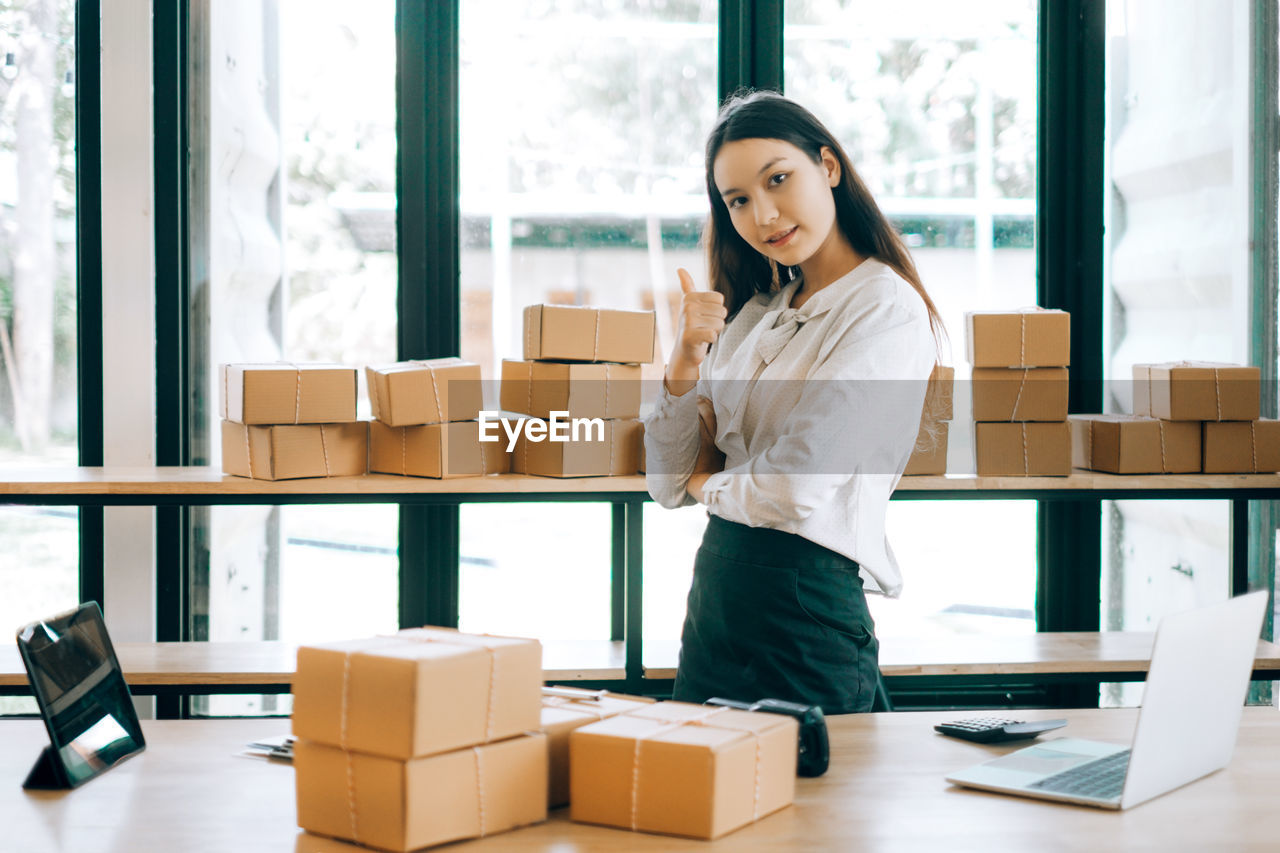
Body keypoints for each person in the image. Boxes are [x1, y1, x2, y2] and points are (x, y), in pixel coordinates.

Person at [644, 90, 944, 714]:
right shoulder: (758, 314)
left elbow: (793, 488)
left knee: (822, 809)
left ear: (828, 168)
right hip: (718, 599)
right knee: (701, 801)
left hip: (807, 607)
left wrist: (709, 486)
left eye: (778, 179)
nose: (764, 215)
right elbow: (666, 481)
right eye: (739, 201)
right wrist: (682, 364)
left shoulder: (884, 309)